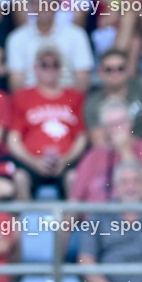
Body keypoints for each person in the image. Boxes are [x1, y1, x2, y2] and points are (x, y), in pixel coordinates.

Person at [7, 47, 87, 199]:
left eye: (54, 65)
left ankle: (69, 223)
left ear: (61, 69)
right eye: (44, 64)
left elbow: (81, 137)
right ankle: (26, 222)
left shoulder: (75, 96)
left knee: (74, 178)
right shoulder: (21, 97)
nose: (49, 69)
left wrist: (66, 160)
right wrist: (33, 161)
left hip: (65, 164)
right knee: (19, 178)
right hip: (31, 164)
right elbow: (13, 139)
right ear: (35, 68)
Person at [6, 0, 94, 92]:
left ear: (58, 4)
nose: (44, 7)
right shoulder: (16, 38)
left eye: (49, 2)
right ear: (31, 5)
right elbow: (16, 85)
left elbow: (83, 82)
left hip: (67, 100)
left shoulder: (77, 35)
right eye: (38, 2)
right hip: (29, 101)